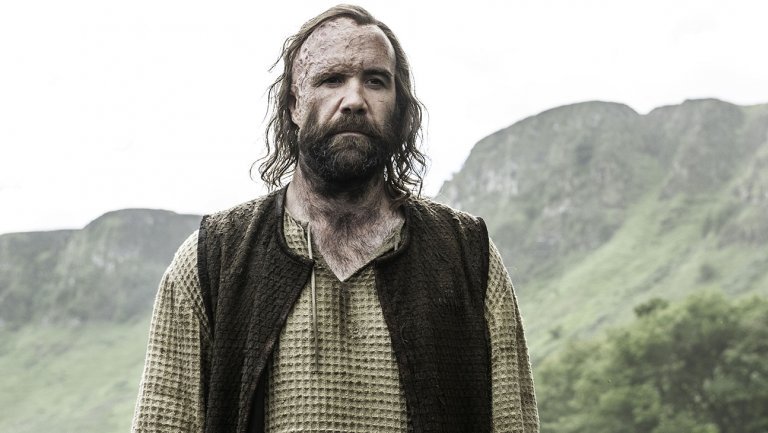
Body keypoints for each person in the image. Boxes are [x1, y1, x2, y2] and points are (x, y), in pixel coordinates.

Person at [131, 4, 538, 433]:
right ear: (294, 103)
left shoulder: (467, 256)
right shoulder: (213, 259)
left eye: (375, 81)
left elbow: (514, 423)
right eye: (331, 79)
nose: (355, 101)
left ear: (398, 107)